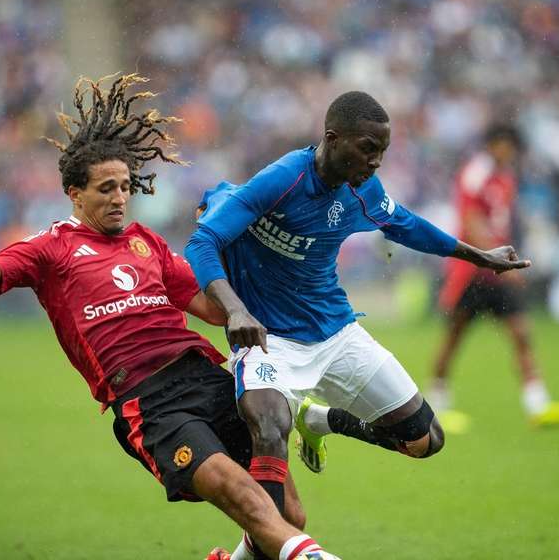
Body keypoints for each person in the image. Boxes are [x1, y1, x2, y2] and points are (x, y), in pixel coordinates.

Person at [0, 73, 337, 560]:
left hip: (205, 377)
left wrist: (267, 279)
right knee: (246, 499)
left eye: (125, 186)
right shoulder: (50, 249)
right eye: (106, 188)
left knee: (287, 516)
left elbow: (212, 309)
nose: (119, 197)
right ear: (74, 193)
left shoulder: (145, 243)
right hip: (149, 402)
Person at [185, 91, 531, 557]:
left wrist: (481, 257)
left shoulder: (363, 191)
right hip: (270, 342)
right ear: (332, 139)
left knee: (425, 442)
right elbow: (203, 242)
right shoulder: (283, 180)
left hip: (338, 335)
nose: (377, 161)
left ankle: (320, 418)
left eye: (383, 151)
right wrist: (236, 311)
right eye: (368, 148)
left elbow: (406, 225)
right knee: (269, 429)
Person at [428, 125, 559, 432]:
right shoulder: (475, 174)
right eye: (503, 145)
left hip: (497, 274)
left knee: (521, 333)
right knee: (453, 339)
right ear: (492, 145)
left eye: (511, 146)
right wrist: (493, 257)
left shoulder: (506, 178)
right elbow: (470, 220)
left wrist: (509, 259)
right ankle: (436, 405)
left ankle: (538, 405)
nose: (507, 152)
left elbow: (504, 225)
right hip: (471, 272)